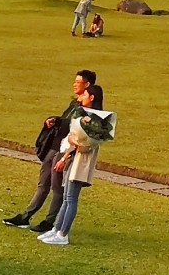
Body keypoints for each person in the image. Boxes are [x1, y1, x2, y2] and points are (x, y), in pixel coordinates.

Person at [5, 71, 93, 230]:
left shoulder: (87, 111)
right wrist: (54, 120)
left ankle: (50, 221)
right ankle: (26, 216)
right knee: (43, 184)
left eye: (78, 82)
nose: (74, 84)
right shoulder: (75, 104)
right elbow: (66, 122)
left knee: (57, 187)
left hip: (64, 150)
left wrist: (65, 157)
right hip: (55, 147)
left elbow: (78, 133)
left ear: (87, 85)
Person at [39, 78, 115, 246]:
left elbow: (89, 143)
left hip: (82, 161)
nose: (83, 96)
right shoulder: (85, 115)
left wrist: (75, 143)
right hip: (74, 158)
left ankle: (63, 233)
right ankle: (57, 229)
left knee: (71, 198)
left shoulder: (96, 119)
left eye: (86, 94)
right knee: (67, 197)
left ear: (92, 97)